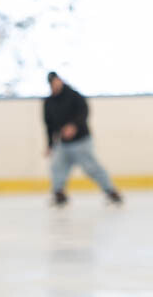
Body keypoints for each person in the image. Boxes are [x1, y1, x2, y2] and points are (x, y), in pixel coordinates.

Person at [42, 71, 122, 207]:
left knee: (91, 167)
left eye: (56, 81)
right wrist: (50, 144)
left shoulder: (74, 95)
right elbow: (48, 124)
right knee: (57, 167)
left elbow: (84, 112)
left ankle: (111, 191)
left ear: (60, 80)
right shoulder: (49, 102)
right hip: (62, 143)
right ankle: (59, 194)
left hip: (81, 141)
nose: (55, 84)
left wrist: (74, 126)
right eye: (52, 83)